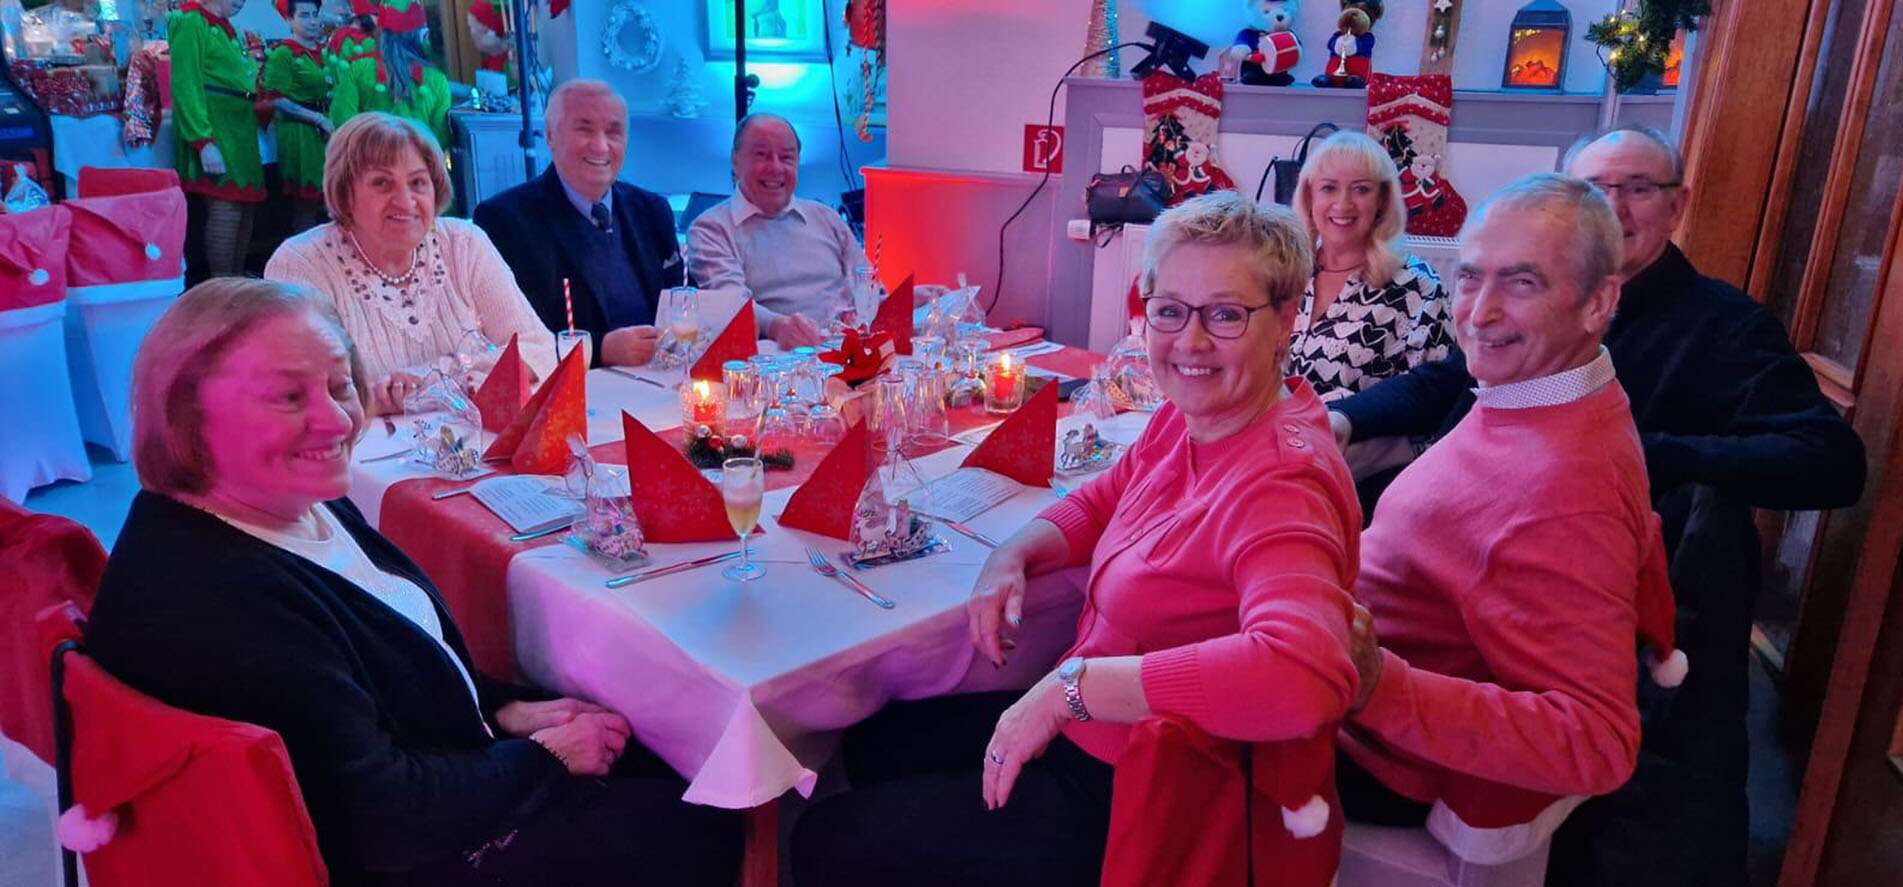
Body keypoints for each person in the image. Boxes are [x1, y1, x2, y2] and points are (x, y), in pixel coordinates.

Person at [1326, 127, 1866, 885]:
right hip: (1431, 646)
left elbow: (1830, 461)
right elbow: (1449, 378)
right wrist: (1338, 421)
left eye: (1635, 188)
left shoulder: (1710, 336)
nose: (1481, 310)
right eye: (1471, 278)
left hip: (1400, 732)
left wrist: (1659, 457)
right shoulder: (1543, 379)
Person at [84, 278, 744, 885]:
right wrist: (545, 756)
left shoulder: (285, 501)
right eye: (288, 397)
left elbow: (393, 661)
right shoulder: (222, 603)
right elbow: (384, 819)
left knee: (660, 743)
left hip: (428, 774)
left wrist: (501, 709)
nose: (337, 420)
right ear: (188, 415)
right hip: (396, 855)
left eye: (339, 385)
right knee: (699, 813)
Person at [792, 192, 1362, 886]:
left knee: (828, 839)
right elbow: (1105, 496)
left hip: (1155, 795)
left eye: (1225, 315)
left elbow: (1303, 677)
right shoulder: (1192, 418)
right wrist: (1015, 552)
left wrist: (1072, 689)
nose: (1190, 342)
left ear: (1286, 319)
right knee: (874, 739)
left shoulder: (1281, 483)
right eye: (1170, 310)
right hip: (1094, 737)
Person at [1338, 174, 1668, 862]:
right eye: (1470, 277)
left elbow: (1599, 741)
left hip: (1366, 748)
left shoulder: (1569, 488)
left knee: (1119, 746)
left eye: (1522, 283)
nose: (1479, 313)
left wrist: (1379, 684)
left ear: (1598, 302)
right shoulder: (1534, 392)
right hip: (1338, 665)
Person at [266, 113, 555, 416]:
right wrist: (373, 400)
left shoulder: (464, 243)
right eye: (382, 183)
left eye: (418, 182)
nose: (405, 201)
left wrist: (430, 378)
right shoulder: (301, 264)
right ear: (345, 192)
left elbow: (540, 348)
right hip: (359, 444)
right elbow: (298, 393)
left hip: (473, 438)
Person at [474, 79, 682, 368]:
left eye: (613, 132)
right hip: (575, 388)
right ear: (550, 136)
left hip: (660, 379)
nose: (600, 146)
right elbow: (512, 340)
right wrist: (600, 349)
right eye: (584, 129)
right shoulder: (504, 220)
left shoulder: (653, 210)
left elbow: (683, 298)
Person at [1289, 131, 1453, 402]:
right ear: (1309, 198)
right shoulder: (1286, 272)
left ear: (1382, 200)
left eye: (1361, 189)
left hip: (1361, 430)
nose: (1343, 204)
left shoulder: (1419, 286)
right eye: (1329, 188)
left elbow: (1436, 398)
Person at [687, 113, 865, 350]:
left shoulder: (826, 217)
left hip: (847, 351)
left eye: (786, 158)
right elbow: (731, 305)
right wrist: (777, 326)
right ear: (735, 161)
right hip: (774, 360)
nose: (775, 167)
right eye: (762, 155)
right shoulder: (711, 229)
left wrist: (904, 304)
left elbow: (865, 287)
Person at [168, 0, 264, 278]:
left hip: (239, 130)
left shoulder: (226, 28)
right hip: (217, 128)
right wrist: (203, 141)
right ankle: (223, 286)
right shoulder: (191, 21)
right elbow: (185, 83)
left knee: (244, 209)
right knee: (227, 208)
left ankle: (236, 281)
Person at [328, 0, 451, 148]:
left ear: (381, 32)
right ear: (420, 34)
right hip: (418, 160)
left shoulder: (360, 68)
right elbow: (441, 140)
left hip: (369, 160)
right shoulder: (437, 79)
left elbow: (341, 121)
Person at [267, 0, 335, 233]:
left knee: (333, 201)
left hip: (328, 128)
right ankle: (302, 253)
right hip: (301, 132)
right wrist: (317, 119)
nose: (313, 21)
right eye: (304, 15)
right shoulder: (283, 53)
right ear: (289, 19)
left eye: (315, 14)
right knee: (305, 205)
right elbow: (276, 99)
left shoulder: (326, 52)